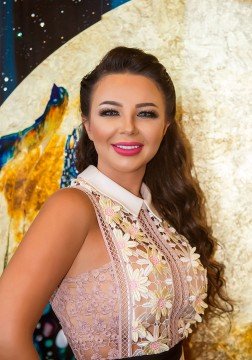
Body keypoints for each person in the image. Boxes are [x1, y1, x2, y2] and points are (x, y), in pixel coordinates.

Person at [0, 46, 233, 360]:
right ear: (89, 125)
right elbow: (5, 334)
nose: (128, 127)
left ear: (165, 127)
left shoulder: (162, 209)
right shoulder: (72, 207)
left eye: (146, 113)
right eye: (110, 112)